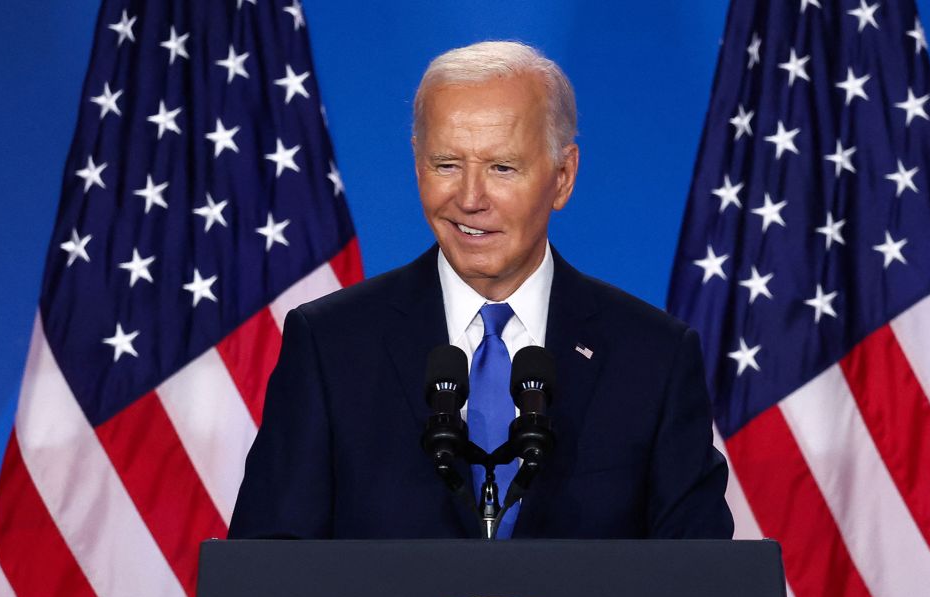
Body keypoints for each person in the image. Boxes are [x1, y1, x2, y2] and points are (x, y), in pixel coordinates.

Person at [228, 41, 732, 539]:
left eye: (502, 168)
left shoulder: (653, 357)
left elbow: (701, 590)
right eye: (446, 164)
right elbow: (266, 578)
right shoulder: (330, 345)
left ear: (562, 176)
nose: (469, 199)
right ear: (416, 162)